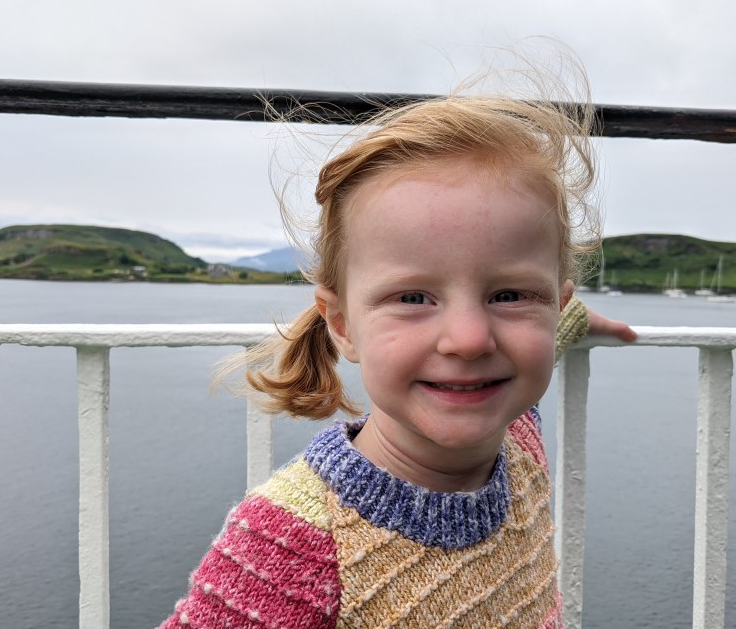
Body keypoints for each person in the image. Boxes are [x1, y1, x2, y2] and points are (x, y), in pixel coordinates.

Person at [160, 67, 635, 629]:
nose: (469, 340)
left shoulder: (517, 434)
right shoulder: (290, 546)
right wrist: (530, 308)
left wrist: (578, 319)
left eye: (509, 295)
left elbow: (547, 332)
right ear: (342, 326)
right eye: (412, 297)